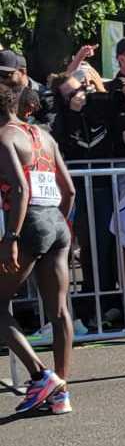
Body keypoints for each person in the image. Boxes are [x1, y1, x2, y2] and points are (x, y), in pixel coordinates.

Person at [1, 84, 77, 415]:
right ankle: (61, 391)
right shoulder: (43, 136)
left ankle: (40, 374)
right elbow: (70, 190)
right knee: (59, 311)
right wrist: (55, 224)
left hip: (27, 225)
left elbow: (18, 189)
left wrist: (12, 238)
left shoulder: (4, 137)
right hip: (56, 223)